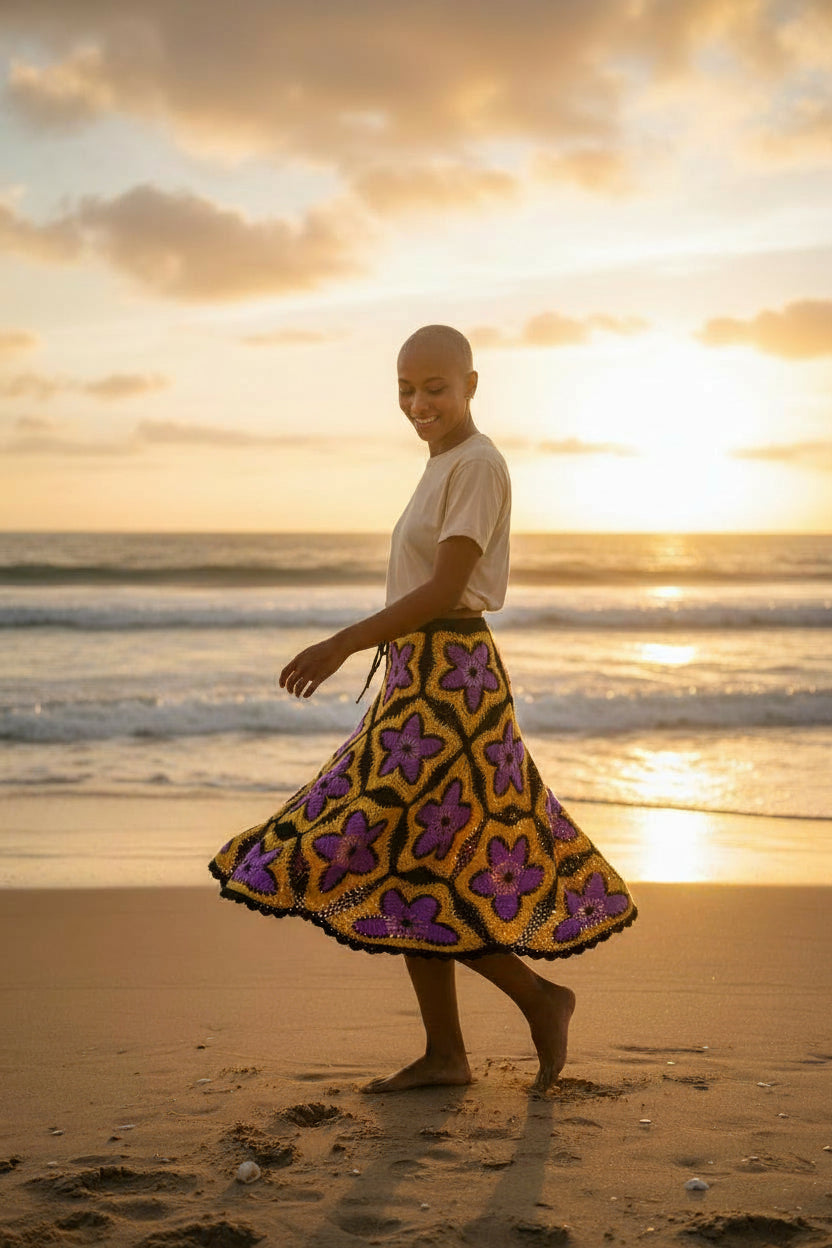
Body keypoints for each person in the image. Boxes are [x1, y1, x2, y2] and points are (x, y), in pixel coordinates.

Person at [208, 324, 637, 1094]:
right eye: (405, 389)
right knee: (409, 855)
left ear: (472, 383)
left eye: (434, 387)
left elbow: (444, 591)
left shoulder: (476, 465)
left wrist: (339, 644)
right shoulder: (442, 464)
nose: (418, 403)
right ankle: (453, 1051)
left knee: (408, 851)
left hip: (452, 686)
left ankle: (537, 1002)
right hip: (422, 678)